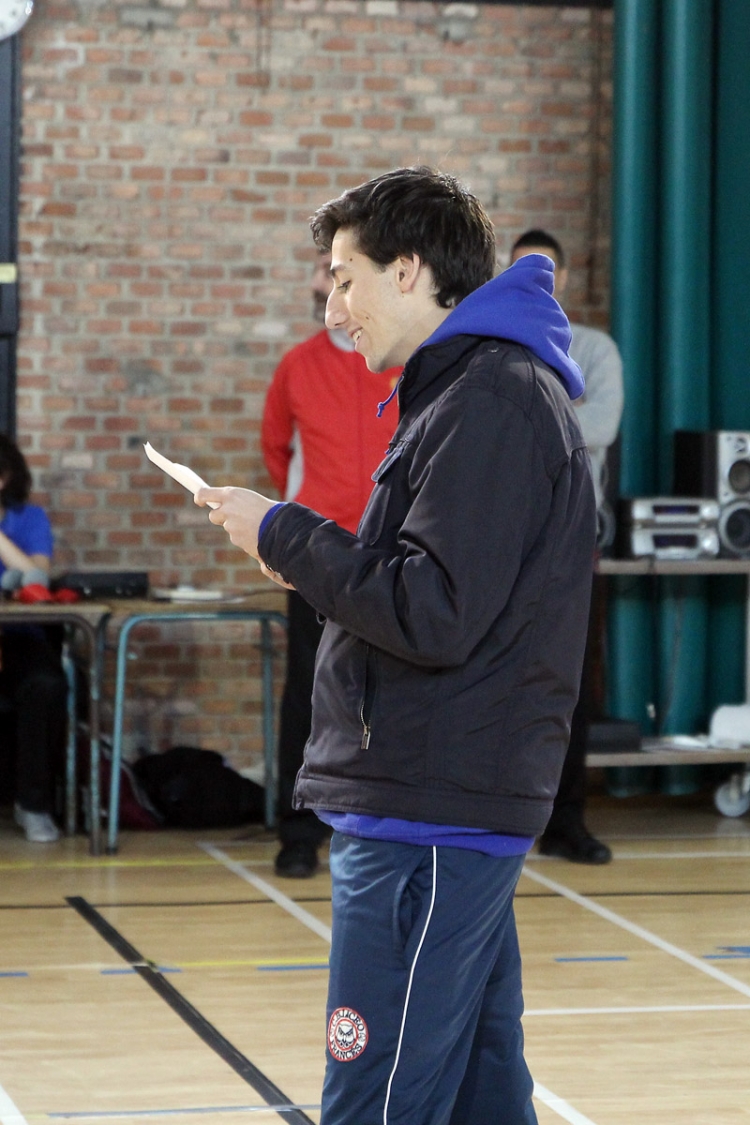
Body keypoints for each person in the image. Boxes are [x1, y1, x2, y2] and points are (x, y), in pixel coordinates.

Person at [196, 166, 596, 1125]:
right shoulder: (468, 391)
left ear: (408, 270)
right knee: (480, 1091)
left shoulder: (490, 401)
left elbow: (433, 611)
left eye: (346, 278)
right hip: (437, 797)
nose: (335, 307)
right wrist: (303, 555)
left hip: (430, 808)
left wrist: (288, 533)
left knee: (378, 1096)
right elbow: (437, 587)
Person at [261, 252, 400, 878]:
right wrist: (306, 525)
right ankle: (298, 832)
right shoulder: (297, 365)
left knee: (393, 691)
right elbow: (276, 450)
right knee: (309, 691)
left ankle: (385, 823)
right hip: (317, 555)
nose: (333, 284)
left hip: (392, 553)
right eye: (326, 271)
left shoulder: (400, 362)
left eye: (343, 272)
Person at [511, 229, 624, 865]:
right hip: (507, 540)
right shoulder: (496, 347)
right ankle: (502, 816)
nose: (537, 279)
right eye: (522, 268)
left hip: (574, 541)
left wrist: (527, 416)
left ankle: (566, 821)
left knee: (571, 686)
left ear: (566, 278)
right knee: (502, 679)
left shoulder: (595, 350)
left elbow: (600, 426)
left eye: (547, 269)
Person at [0, 434, 67, 843]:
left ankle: (33, 804)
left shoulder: (29, 519)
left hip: (18, 636)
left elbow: (36, 576)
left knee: (46, 685)